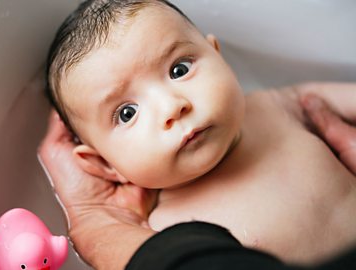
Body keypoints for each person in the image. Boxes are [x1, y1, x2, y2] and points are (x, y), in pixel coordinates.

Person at [42, 0, 356, 265]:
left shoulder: (279, 104)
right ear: (106, 165)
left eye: (179, 69)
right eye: (127, 113)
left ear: (218, 56)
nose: (172, 107)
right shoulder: (162, 231)